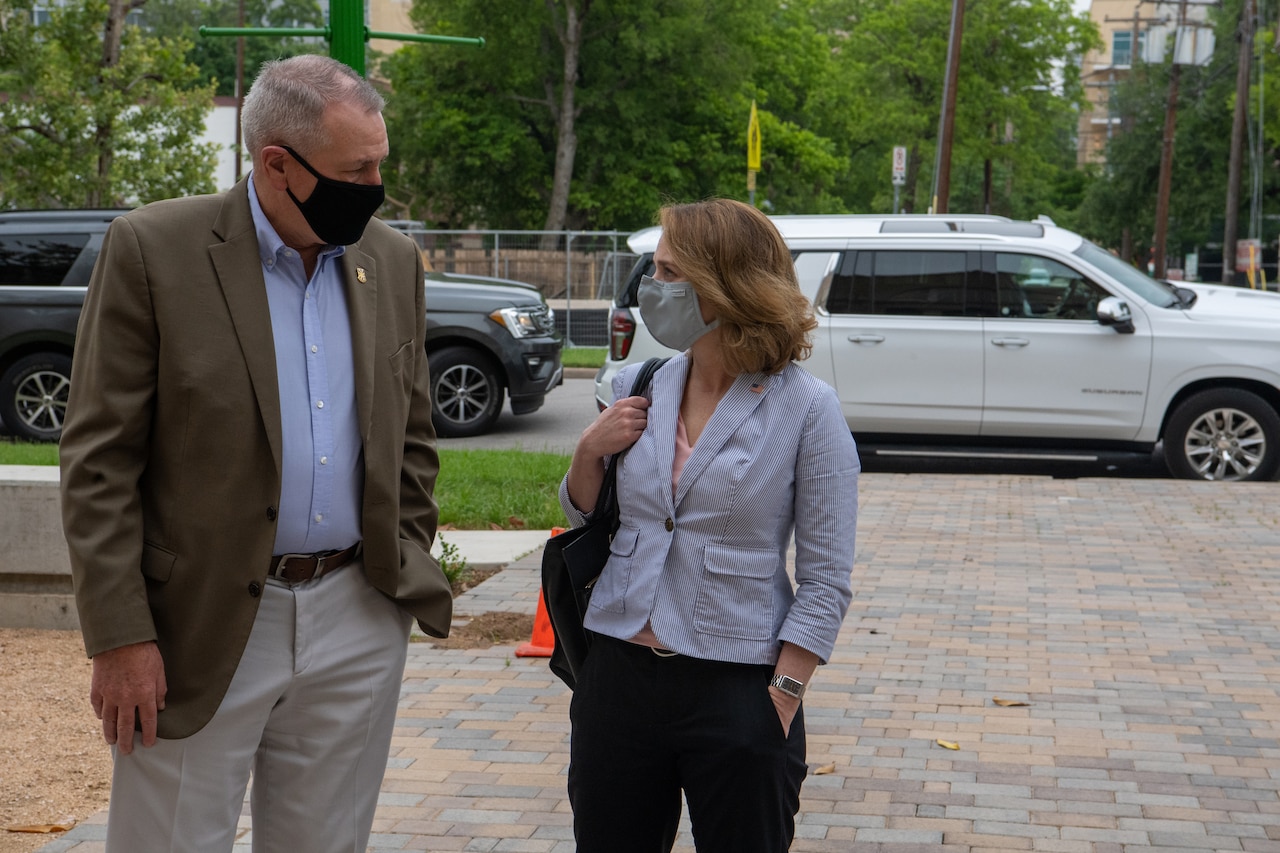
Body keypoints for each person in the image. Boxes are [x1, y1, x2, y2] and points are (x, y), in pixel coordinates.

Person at [58, 54, 452, 853]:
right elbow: (99, 461)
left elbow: (411, 434)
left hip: (356, 612)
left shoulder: (393, 261)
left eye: (380, 162)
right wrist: (119, 634)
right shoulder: (153, 249)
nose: (376, 187)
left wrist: (398, 568)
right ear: (277, 165)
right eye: (358, 169)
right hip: (194, 626)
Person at [559, 198, 860, 852]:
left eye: (669, 272)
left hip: (739, 688)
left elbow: (827, 577)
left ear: (725, 285)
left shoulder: (807, 408)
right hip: (618, 682)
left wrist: (781, 696)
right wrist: (589, 451)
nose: (650, 287)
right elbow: (585, 515)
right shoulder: (639, 382)